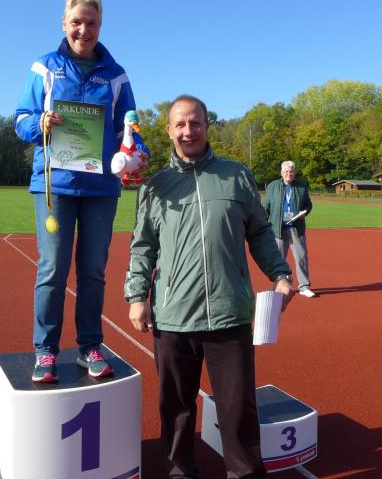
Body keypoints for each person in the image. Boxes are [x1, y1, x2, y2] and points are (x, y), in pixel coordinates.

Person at [124, 95, 295, 479]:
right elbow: (142, 246)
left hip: (229, 314)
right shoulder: (154, 187)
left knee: (238, 410)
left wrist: (281, 275)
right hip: (173, 317)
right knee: (176, 410)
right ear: (169, 130)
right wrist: (136, 296)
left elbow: (260, 233)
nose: (188, 131)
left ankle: (244, 473)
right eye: (180, 124)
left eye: (195, 123)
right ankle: (180, 473)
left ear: (207, 126)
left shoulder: (237, 176)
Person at [14, 0, 148, 383]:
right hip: (55, 186)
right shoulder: (44, 67)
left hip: (101, 188)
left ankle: (90, 345)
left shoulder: (117, 75)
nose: (83, 30)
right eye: (77, 22)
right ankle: (45, 351)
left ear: (100, 25)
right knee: (52, 269)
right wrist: (39, 124)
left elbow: (130, 130)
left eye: (91, 23)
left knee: (93, 271)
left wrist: (136, 154)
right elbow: (20, 120)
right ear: (64, 22)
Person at [263, 161, 316, 298]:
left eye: (291, 171)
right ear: (281, 172)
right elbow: (265, 207)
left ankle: (304, 287)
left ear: (294, 172)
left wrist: (305, 213)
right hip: (278, 228)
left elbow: (308, 205)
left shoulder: (301, 186)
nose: (289, 174)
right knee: (279, 259)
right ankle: (279, 285)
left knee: (301, 257)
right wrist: (263, 223)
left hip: (296, 227)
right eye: (286, 171)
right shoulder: (273, 186)